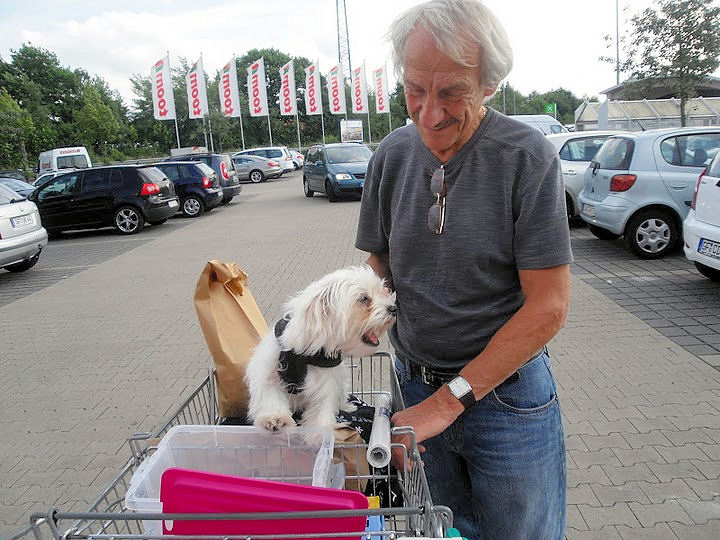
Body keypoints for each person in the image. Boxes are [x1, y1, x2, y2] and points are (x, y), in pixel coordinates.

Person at [355, 1, 573, 538]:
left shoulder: (527, 157)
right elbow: (380, 264)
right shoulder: (390, 156)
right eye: (414, 90)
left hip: (507, 401)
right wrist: (360, 313)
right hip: (413, 388)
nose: (429, 114)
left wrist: (447, 404)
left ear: (491, 83)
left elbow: (549, 306)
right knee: (441, 531)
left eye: (452, 91)